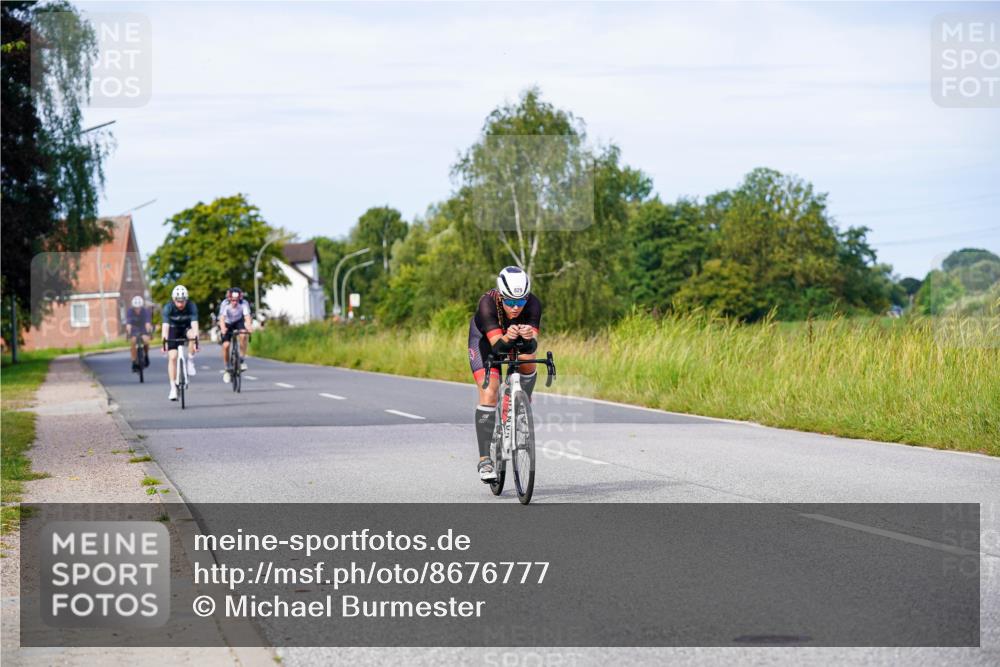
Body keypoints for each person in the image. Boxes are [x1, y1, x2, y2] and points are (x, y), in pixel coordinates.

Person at [468, 266, 541, 482]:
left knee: (528, 360)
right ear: (501, 296)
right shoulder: (487, 303)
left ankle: (520, 404)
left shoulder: (534, 304)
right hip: (485, 344)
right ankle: (484, 460)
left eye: (521, 301)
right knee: (490, 392)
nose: (516, 307)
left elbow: (531, 347)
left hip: (511, 339)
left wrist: (528, 338)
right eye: (510, 302)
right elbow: (498, 347)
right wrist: (508, 337)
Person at [161, 285, 199, 401]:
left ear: (186, 300)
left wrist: (197, 341)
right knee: (172, 357)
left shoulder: (191, 306)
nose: (181, 304)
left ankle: (190, 360)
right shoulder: (168, 307)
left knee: (193, 335)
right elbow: (165, 327)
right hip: (173, 329)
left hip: (186, 328)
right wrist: (164, 342)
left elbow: (194, 324)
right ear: (174, 300)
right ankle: (173, 387)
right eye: (178, 301)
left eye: (183, 301)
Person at [218, 287, 252, 384]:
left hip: (238, 321)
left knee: (243, 335)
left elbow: (247, 317)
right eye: (232, 300)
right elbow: (222, 318)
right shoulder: (225, 304)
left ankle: (241, 359)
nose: (235, 302)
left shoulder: (244, 303)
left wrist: (249, 327)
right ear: (229, 299)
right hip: (227, 322)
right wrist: (223, 328)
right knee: (226, 345)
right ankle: (227, 366)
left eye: (237, 300)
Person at [125, 295, 152, 372]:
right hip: (134, 329)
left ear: (141, 306)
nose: (137, 309)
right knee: (133, 342)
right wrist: (129, 332)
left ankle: (146, 355)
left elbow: (147, 323)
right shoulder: (130, 311)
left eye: (139, 308)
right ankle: (134, 362)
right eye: (136, 308)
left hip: (143, 328)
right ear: (133, 307)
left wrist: (149, 332)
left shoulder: (145, 311)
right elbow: (128, 324)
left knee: (146, 341)